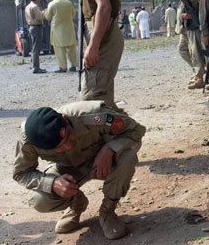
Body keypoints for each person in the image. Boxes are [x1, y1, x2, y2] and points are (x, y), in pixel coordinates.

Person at [13, 101, 146, 239]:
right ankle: (77, 203)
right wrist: (53, 183)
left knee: (127, 157)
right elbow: (21, 173)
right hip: (67, 169)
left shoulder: (94, 115)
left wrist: (110, 149)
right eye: (60, 147)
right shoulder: (28, 140)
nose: (68, 145)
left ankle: (108, 210)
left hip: (102, 160)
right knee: (40, 200)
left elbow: (136, 129)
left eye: (69, 135)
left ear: (64, 118)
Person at [76, 0, 124, 109]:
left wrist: (93, 46)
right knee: (104, 100)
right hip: (108, 33)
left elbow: (104, 7)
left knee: (90, 102)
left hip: (103, 35)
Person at [176, 0, 205, 89]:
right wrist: (184, 16)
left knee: (199, 52)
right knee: (191, 52)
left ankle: (202, 75)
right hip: (187, 29)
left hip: (198, 29)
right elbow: (182, 13)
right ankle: (199, 73)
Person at [44, 0, 77, 73]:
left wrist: (44, 12)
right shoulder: (69, 3)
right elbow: (74, 14)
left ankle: (63, 67)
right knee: (72, 48)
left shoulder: (52, 4)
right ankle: (73, 66)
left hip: (57, 29)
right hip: (69, 28)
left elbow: (48, 17)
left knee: (59, 49)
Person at [25, 0, 47, 74]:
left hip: (31, 27)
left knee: (33, 47)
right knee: (36, 49)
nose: (40, 0)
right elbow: (40, 17)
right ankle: (36, 67)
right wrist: (45, 12)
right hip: (36, 27)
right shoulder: (35, 7)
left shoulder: (27, 6)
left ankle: (34, 66)